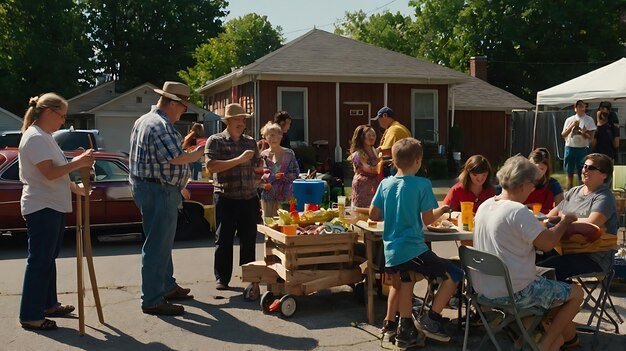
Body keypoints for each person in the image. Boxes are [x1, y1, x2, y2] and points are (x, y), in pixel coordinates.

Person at [473, 155, 583, 351]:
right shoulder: (517, 211)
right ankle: (546, 343)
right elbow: (548, 244)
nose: (533, 188)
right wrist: (565, 222)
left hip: (484, 289)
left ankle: (550, 337)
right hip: (514, 291)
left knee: (547, 275)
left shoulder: (485, 205)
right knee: (576, 293)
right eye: (532, 184)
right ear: (523, 184)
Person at [370, 138, 462, 346]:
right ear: (418, 160)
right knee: (453, 274)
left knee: (405, 281)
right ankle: (432, 319)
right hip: (412, 248)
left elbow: (374, 214)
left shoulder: (385, 184)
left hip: (391, 249)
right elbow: (428, 219)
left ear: (393, 161)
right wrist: (444, 209)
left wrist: (394, 211)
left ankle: (403, 329)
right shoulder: (422, 184)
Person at [18, 93, 95, 330]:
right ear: (49, 112)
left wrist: (75, 187)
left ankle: (48, 304)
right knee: (40, 260)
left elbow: (57, 174)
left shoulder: (45, 137)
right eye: (61, 116)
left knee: (47, 259)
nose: (63, 121)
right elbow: (49, 173)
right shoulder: (35, 138)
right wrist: (79, 162)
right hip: (42, 206)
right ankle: (31, 315)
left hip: (52, 205)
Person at [129, 81, 204, 316]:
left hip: (153, 188)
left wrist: (177, 184)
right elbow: (176, 157)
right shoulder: (159, 125)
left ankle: (166, 286)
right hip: (159, 190)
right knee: (156, 246)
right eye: (182, 106)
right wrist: (201, 151)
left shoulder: (144, 121)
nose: (183, 111)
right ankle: (152, 299)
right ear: (173, 103)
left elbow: (160, 160)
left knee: (160, 242)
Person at [205, 103, 260, 291]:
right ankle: (222, 278)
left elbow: (256, 167)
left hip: (249, 197)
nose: (241, 123)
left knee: (249, 238)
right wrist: (238, 160)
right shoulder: (216, 140)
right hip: (226, 197)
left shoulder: (251, 142)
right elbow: (211, 167)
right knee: (224, 239)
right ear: (227, 121)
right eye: (237, 119)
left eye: (243, 119)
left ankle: (249, 277)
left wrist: (263, 174)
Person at [541, 153, 618, 282]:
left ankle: (567, 298)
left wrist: (565, 218)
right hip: (566, 249)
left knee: (548, 269)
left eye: (592, 168)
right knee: (534, 260)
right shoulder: (574, 191)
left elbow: (592, 224)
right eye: (584, 166)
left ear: (604, 175)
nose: (585, 170)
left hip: (593, 257)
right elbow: (550, 216)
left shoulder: (604, 197)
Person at [259, 121, 300, 217]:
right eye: (271, 135)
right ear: (265, 137)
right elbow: (258, 175)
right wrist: (267, 181)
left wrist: (284, 177)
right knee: (268, 226)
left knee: (285, 226)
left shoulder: (289, 154)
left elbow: (296, 173)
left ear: (281, 137)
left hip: (285, 197)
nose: (274, 138)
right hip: (268, 197)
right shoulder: (262, 155)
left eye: (278, 135)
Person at [561, 100, 596, 189]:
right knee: (569, 173)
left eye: (584, 106)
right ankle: (568, 193)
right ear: (575, 108)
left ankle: (582, 193)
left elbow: (591, 138)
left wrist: (583, 132)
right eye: (580, 106)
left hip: (582, 149)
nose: (583, 108)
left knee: (583, 173)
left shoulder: (589, 120)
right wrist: (572, 126)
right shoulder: (569, 120)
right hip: (570, 148)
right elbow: (563, 135)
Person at [525, 147, 564, 213]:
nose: (536, 172)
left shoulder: (553, 185)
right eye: (533, 167)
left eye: (541, 169)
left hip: (544, 219)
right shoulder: (519, 182)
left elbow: (561, 209)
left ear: (547, 169)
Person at [349, 125, 380, 207]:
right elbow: (369, 169)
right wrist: (382, 163)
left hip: (374, 185)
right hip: (363, 185)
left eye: (374, 135)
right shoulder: (358, 154)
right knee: (362, 212)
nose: (372, 137)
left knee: (375, 211)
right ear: (362, 137)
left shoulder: (374, 150)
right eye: (369, 135)